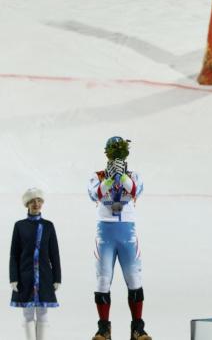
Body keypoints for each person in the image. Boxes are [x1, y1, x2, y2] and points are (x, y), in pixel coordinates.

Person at [87, 137, 151, 340]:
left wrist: (122, 176)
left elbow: (135, 191)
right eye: (113, 153)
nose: (116, 157)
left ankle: (138, 328)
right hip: (105, 232)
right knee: (103, 280)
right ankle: (103, 328)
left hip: (127, 232)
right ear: (106, 154)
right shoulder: (97, 175)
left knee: (134, 278)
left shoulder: (134, 175)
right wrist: (108, 179)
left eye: (120, 154)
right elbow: (95, 194)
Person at [10, 188, 61, 340]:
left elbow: (54, 254)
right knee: (27, 314)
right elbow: (14, 254)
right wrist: (13, 277)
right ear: (27, 204)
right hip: (25, 276)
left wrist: (57, 277)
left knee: (43, 314)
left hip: (45, 276)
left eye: (39, 201)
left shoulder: (48, 225)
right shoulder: (19, 226)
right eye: (32, 201)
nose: (36, 204)